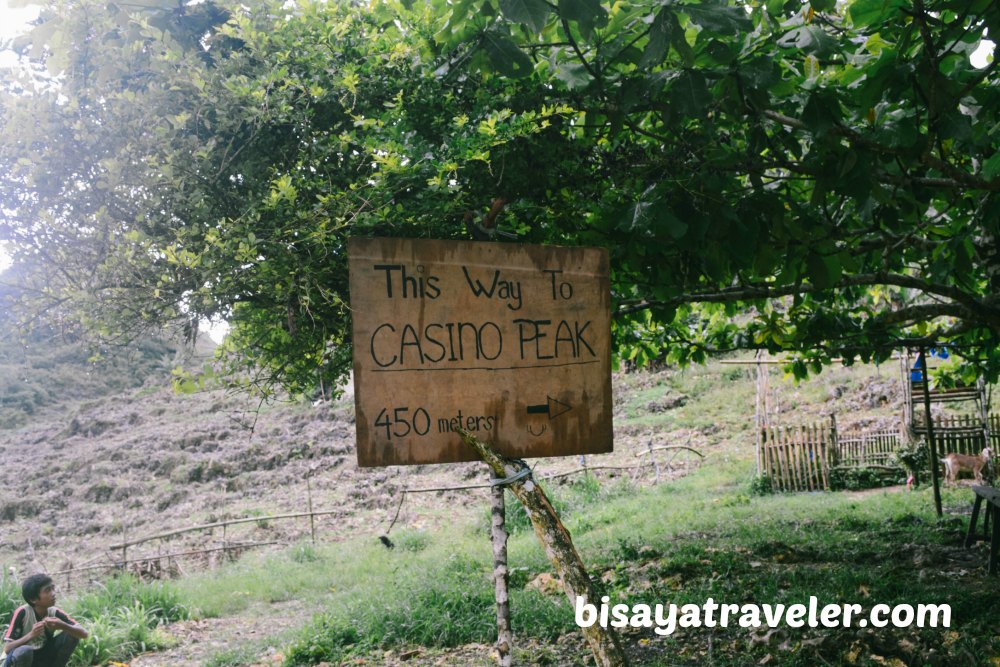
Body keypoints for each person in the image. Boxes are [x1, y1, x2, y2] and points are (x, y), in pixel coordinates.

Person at [2, 574, 87, 667]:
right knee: (25, 651)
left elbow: (84, 634)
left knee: (71, 633)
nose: (53, 593)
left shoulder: (54, 612)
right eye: (47, 590)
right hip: (18, 660)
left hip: (42, 658)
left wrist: (63, 626)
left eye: (53, 588)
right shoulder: (22, 612)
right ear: (33, 599)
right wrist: (31, 635)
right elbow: (7, 648)